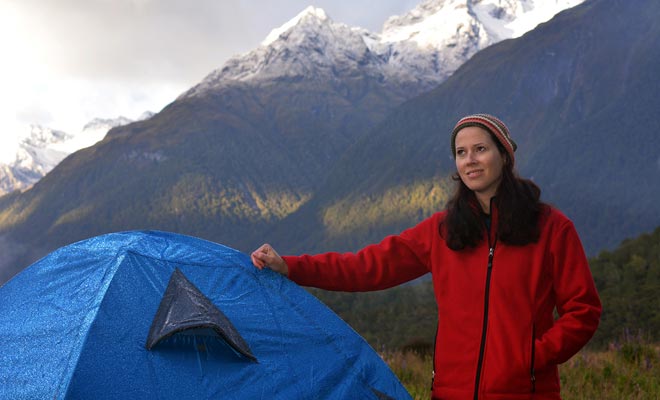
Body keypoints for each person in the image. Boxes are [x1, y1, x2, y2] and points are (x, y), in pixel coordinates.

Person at [251, 113, 601, 400]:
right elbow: (366, 268)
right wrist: (291, 266)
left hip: (525, 393)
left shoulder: (551, 228)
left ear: (504, 155)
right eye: (461, 152)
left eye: (480, 148)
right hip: (450, 393)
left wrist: (531, 358)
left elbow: (583, 311)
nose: (470, 160)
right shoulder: (443, 230)